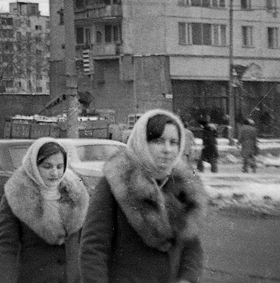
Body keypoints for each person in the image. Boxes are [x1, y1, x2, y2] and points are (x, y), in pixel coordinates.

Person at [81, 109, 207, 283]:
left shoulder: (182, 187)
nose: (167, 149)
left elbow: (192, 245)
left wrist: (187, 278)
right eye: (158, 141)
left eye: (174, 142)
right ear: (141, 142)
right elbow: (93, 248)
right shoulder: (116, 183)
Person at [0, 138, 89, 283]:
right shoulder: (16, 195)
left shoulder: (76, 195)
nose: (55, 173)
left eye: (59, 166)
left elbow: (87, 243)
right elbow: (5, 247)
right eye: (47, 166)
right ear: (34, 166)